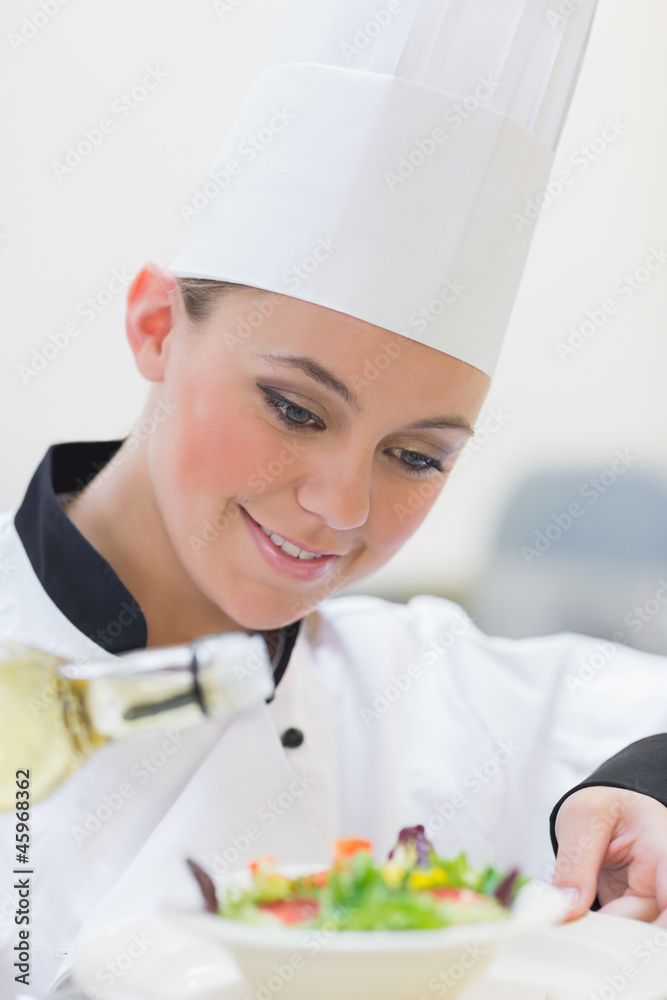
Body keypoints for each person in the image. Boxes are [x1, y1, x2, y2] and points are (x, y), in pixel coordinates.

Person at [2, 0, 667, 994]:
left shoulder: (421, 690)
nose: (343, 504)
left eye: (415, 455)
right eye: (295, 409)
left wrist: (642, 788)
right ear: (153, 324)